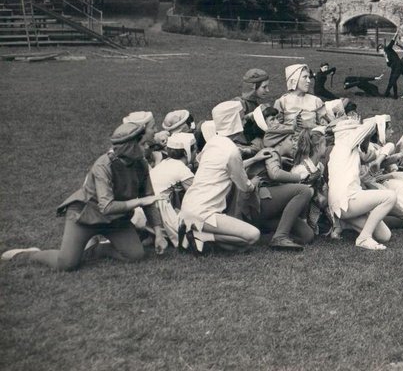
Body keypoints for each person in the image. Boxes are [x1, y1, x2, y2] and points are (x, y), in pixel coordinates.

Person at [2, 122, 169, 270]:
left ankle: (96, 249)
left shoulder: (141, 164)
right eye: (142, 144)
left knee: (136, 255)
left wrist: (159, 234)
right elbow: (107, 206)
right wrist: (140, 201)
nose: (147, 148)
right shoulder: (103, 165)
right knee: (66, 264)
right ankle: (29, 255)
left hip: (116, 219)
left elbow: (149, 200)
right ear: (128, 147)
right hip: (86, 215)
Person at [179, 101, 262, 252]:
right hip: (204, 212)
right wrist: (253, 183)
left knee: (241, 245)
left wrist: (253, 159)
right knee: (253, 236)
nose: (244, 121)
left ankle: (195, 234)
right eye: (241, 118)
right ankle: (203, 237)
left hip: (189, 205)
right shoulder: (231, 150)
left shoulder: (213, 143)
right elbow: (244, 186)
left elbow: (223, 168)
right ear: (233, 121)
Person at [328, 118, 398, 250]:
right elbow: (371, 125)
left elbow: (385, 149)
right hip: (346, 201)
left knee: (385, 236)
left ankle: (343, 223)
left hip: (345, 204)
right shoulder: (344, 145)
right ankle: (363, 238)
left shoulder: (348, 150)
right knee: (390, 196)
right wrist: (368, 130)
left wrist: (381, 155)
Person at [382, 31, 403, 99]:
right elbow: (389, 65)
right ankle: (394, 94)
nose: (381, 51)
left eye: (381, 49)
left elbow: (392, 42)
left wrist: (395, 34)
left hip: (398, 65)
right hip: (394, 67)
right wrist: (386, 58)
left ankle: (387, 93)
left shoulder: (388, 49)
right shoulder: (386, 55)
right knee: (392, 80)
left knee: (393, 80)